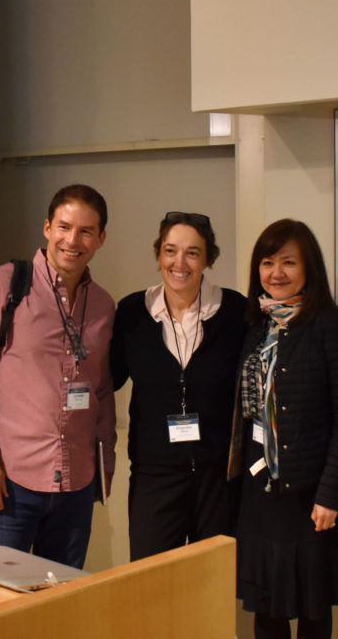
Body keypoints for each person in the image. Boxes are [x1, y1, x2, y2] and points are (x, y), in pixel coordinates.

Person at [0, 184, 116, 569]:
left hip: (76, 486)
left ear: (101, 239)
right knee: (1, 606)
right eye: (64, 226)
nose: (72, 240)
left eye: (86, 231)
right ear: (46, 227)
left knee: (59, 606)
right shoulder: (3, 286)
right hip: (9, 482)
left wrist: (102, 466)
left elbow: (101, 391)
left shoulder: (104, 306)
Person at [228, 219, 338, 639]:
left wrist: (331, 495)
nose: (277, 273)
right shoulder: (256, 327)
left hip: (314, 497)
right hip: (262, 496)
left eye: (289, 262)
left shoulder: (335, 326)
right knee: (267, 612)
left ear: (309, 267)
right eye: (268, 262)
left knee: (314, 611)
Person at [110, 211, 246, 560]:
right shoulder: (132, 312)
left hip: (217, 478)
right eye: (170, 251)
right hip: (154, 476)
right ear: (159, 254)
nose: (179, 263)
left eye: (192, 253)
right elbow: (107, 378)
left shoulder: (235, 312)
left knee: (211, 587)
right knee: (150, 585)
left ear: (208, 259)